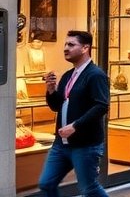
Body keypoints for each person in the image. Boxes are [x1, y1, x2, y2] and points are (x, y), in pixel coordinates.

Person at [37, 30, 110, 197]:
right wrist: (51, 91)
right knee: (46, 183)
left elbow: (102, 106)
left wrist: (75, 126)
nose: (65, 48)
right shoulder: (68, 76)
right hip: (61, 144)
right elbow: (56, 106)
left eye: (71, 44)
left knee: (89, 188)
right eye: (65, 44)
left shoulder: (96, 75)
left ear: (85, 48)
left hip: (86, 145)